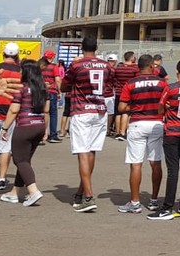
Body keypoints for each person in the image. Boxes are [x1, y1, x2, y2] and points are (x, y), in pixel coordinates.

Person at [61, 36, 113, 212]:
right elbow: (108, 86)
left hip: (81, 110)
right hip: (99, 111)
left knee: (83, 153)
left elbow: (64, 86)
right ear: (96, 48)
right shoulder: (106, 65)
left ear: (82, 47)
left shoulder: (76, 65)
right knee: (91, 152)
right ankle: (81, 192)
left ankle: (89, 196)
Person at [116, 54, 166, 213]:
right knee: (155, 162)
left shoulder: (131, 83)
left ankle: (135, 202)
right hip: (156, 123)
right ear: (151, 65)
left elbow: (121, 108)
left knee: (136, 164)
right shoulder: (162, 83)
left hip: (137, 123)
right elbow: (166, 105)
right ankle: (153, 200)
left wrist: (136, 107)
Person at [149, 59, 180, 220]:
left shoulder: (171, 88)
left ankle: (167, 206)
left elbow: (160, 107)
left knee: (172, 169)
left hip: (172, 131)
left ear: (177, 71)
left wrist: (167, 109)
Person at [0, 61, 49, 206]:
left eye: (21, 71)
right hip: (38, 126)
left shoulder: (22, 89)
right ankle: (14, 193)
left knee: (20, 160)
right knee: (25, 160)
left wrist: (5, 128)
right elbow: (46, 110)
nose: (19, 73)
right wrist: (45, 129)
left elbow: (13, 110)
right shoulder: (43, 89)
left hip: (24, 126)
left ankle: (33, 190)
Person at [0, 42, 23, 191]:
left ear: (3, 53)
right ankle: (1, 178)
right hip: (11, 113)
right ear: (17, 55)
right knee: (6, 147)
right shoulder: (21, 71)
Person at [110, 52, 138, 140]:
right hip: (129, 93)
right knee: (126, 112)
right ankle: (123, 132)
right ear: (132, 58)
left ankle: (117, 132)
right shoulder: (135, 68)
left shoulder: (118, 68)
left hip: (118, 92)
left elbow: (114, 79)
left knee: (118, 112)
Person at [40, 50, 63, 143]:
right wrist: (59, 91)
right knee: (53, 113)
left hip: (41, 92)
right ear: (52, 57)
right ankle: (53, 135)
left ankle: (40, 135)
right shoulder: (54, 67)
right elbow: (58, 80)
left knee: (41, 113)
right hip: (52, 91)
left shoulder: (39, 66)